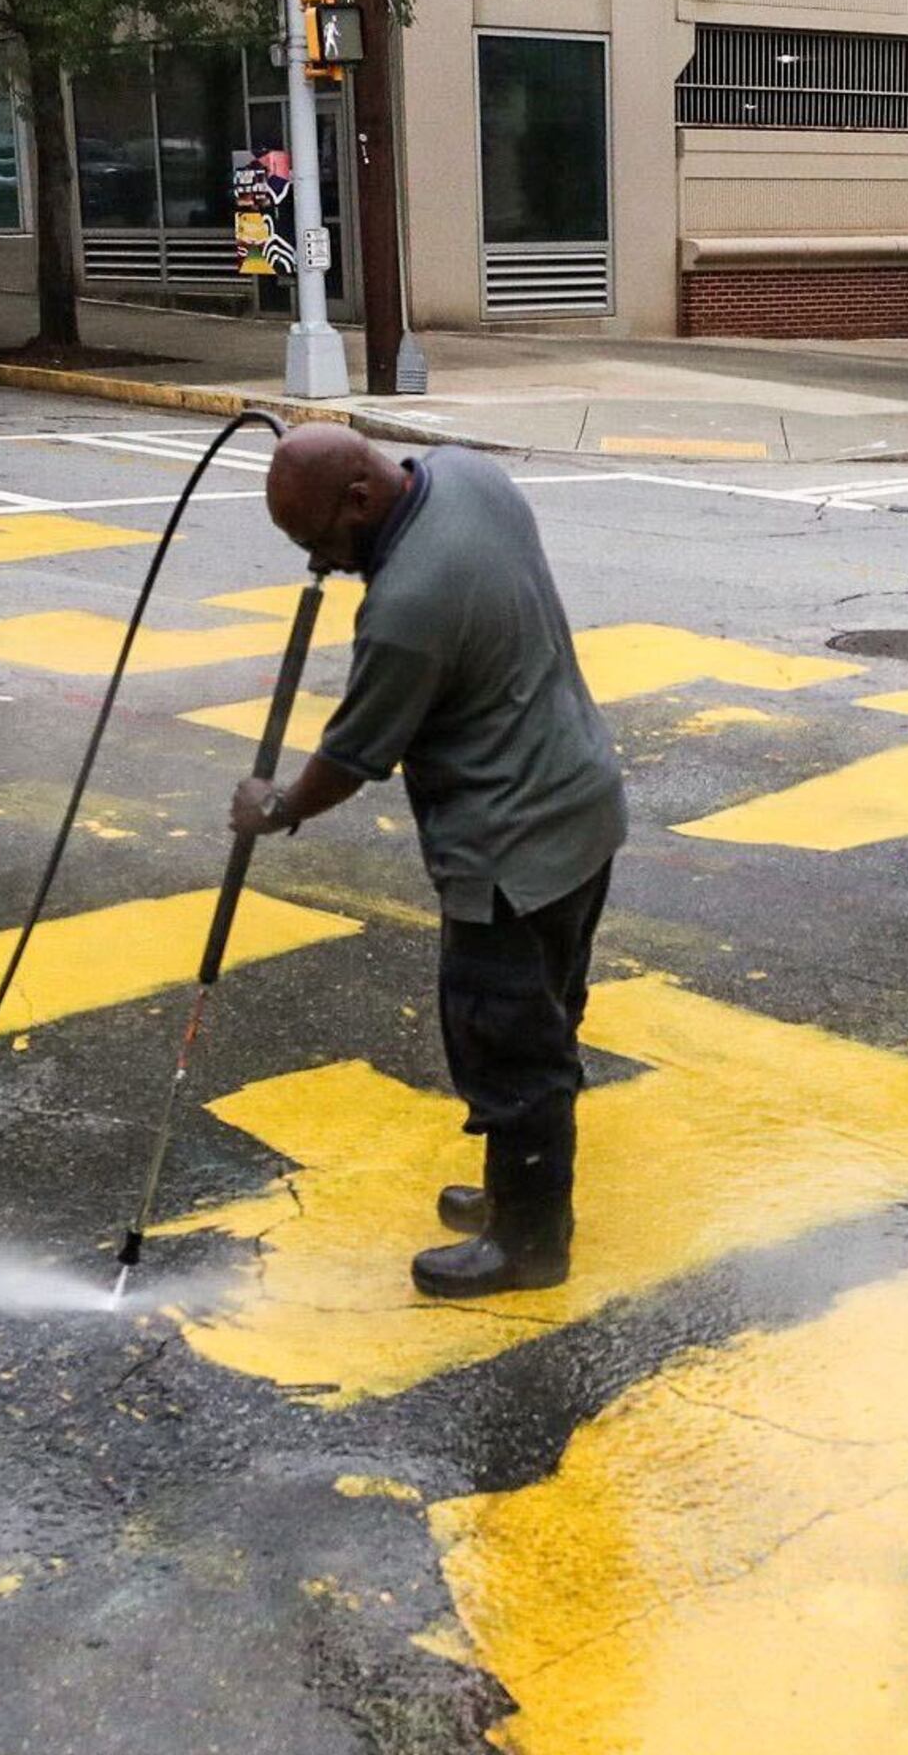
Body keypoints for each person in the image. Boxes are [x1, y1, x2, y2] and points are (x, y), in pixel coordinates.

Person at [230, 425, 623, 1298]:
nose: (324, 567)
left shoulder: (407, 607)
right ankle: (519, 1198)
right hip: (581, 806)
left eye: (321, 543)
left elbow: (354, 754)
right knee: (547, 1017)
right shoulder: (469, 476)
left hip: (509, 851)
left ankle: (529, 1244)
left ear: (361, 500)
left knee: (507, 1044)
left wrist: (277, 807)